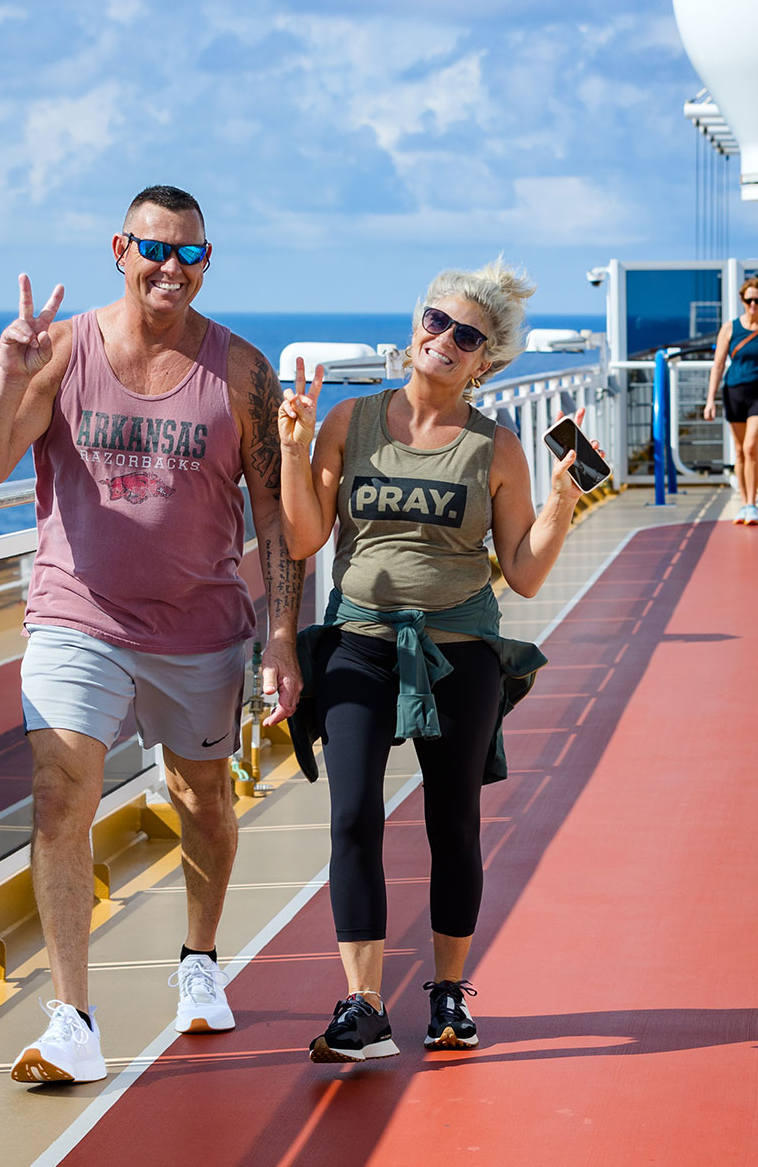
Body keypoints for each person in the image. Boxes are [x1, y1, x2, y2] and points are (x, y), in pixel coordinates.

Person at [0, 183, 303, 1085]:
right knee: (61, 795)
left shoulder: (242, 374)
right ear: (120, 248)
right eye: (155, 249)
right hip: (80, 617)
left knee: (204, 803)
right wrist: (10, 373)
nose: (170, 268)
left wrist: (282, 640)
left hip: (201, 627)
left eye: (189, 253)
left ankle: (197, 957)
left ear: (207, 261)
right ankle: (71, 1017)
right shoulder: (62, 353)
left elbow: (274, 520)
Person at [276, 259, 589, 1062]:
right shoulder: (351, 422)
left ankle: (448, 994)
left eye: (467, 336)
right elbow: (307, 539)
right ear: (415, 326)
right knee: (352, 818)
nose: (444, 340)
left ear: (487, 361)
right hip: (360, 645)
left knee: (452, 822)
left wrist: (560, 503)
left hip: (459, 655)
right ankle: (363, 1006)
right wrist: (293, 448)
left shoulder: (498, 446)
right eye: (435, 321)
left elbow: (521, 570)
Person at [701, 276, 758, 523]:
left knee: (751, 447)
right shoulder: (729, 328)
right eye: (748, 300)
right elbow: (717, 366)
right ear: (742, 300)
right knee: (739, 451)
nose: (752, 305)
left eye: (757, 301)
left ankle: (752, 504)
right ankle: (743, 502)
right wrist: (710, 400)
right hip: (734, 392)